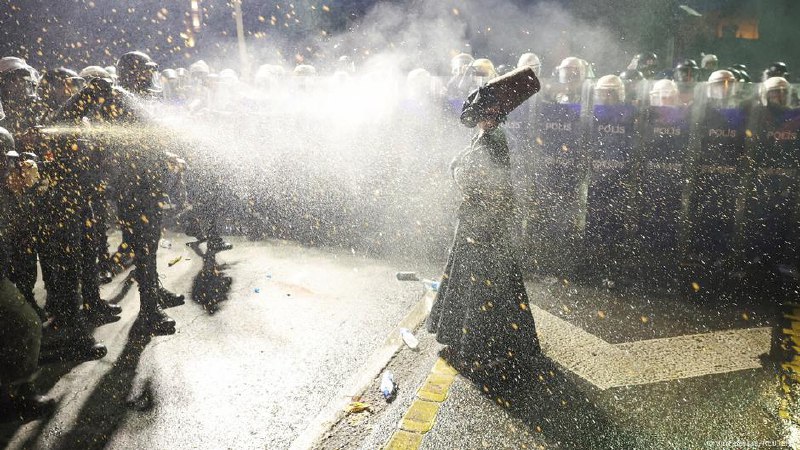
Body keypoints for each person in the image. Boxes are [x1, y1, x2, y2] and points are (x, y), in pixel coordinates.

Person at [428, 67, 542, 377]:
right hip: (475, 219)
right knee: (469, 279)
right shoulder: (483, 134)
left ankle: (489, 347)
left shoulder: (495, 138)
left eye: (492, 113)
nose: (488, 118)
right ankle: (467, 340)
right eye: (485, 113)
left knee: (488, 285)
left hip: (487, 223)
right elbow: (467, 166)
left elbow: (483, 179)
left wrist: (460, 173)